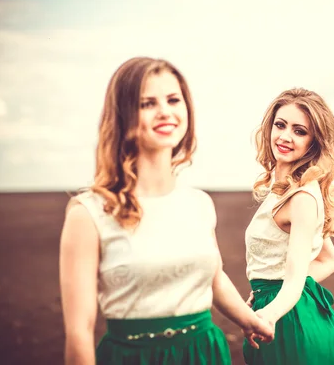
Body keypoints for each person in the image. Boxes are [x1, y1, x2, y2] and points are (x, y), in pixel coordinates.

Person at [59, 57, 273, 365]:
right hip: (132, 357)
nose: (165, 111)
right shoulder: (88, 213)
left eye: (173, 99)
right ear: (123, 115)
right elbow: (79, 331)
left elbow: (213, 279)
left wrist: (248, 319)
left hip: (204, 353)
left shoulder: (198, 203)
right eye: (147, 103)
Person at [243, 88, 334, 364]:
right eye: (280, 125)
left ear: (314, 143)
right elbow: (328, 260)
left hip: (292, 327)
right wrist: (263, 292)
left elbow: (293, 281)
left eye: (300, 131)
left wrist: (269, 310)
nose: (285, 136)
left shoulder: (302, 198)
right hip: (290, 314)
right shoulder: (287, 188)